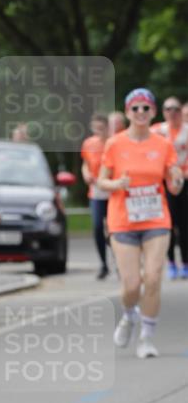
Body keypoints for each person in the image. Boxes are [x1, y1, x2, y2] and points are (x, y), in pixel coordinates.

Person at [98, 88, 183, 358]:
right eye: (135, 108)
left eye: (146, 108)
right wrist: (116, 184)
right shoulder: (115, 144)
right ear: (127, 112)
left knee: (154, 278)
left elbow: (174, 186)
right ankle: (128, 315)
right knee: (131, 285)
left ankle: (147, 337)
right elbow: (101, 180)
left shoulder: (163, 144)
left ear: (153, 112)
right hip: (123, 220)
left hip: (156, 217)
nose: (140, 113)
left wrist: (177, 178)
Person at [151, 96, 188, 279]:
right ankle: (171, 263)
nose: (172, 113)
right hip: (163, 184)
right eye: (168, 109)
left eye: (175, 109)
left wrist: (181, 174)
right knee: (168, 224)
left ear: (181, 111)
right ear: (163, 112)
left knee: (184, 225)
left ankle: (186, 263)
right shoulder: (157, 130)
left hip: (184, 182)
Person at [80, 113, 110, 279]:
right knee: (98, 227)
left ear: (107, 127)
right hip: (96, 192)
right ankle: (103, 264)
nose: (98, 131)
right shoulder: (89, 143)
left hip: (112, 192)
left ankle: (121, 260)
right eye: (95, 128)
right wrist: (85, 174)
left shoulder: (113, 144)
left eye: (101, 128)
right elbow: (85, 164)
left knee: (113, 229)